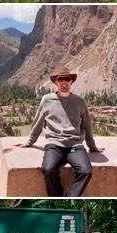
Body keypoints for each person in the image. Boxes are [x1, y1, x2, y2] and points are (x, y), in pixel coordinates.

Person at [15, 67, 103, 197]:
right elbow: (38, 122)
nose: (63, 82)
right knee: (48, 169)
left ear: (71, 82)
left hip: (75, 145)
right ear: (56, 83)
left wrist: (92, 147)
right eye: (60, 79)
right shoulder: (47, 100)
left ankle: (69, 199)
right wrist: (29, 141)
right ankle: (57, 197)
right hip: (54, 144)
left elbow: (87, 126)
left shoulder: (80, 102)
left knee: (86, 171)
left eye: (66, 79)